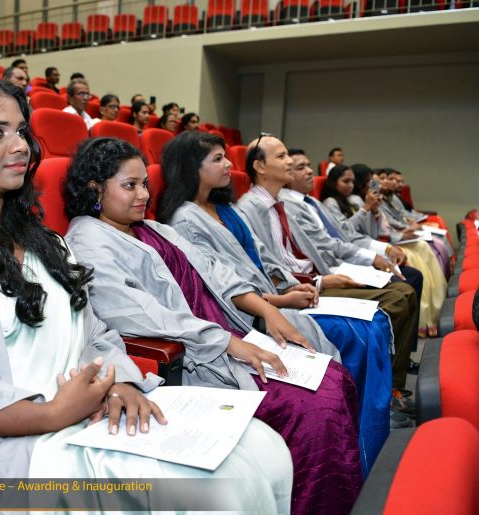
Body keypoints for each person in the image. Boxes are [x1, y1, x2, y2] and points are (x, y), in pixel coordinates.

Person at [0, 73, 294, 515]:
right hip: (19, 441)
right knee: (214, 497)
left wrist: (118, 383)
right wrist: (50, 413)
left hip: (91, 412)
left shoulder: (45, 240)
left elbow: (96, 333)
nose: (20, 146)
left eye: (21, 132)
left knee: (264, 450)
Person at [64, 136, 362, 515]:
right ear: (95, 189)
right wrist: (228, 343)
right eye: (130, 185)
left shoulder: (152, 228)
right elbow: (141, 315)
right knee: (314, 407)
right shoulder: (87, 239)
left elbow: (216, 272)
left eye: (145, 184)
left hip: (229, 334)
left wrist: (268, 309)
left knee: (332, 377)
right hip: (195, 360)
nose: (144, 195)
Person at [157, 132, 394, 474]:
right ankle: (352, 449)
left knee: (370, 326)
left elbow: (266, 258)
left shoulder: (225, 209)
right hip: (248, 316)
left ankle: (361, 440)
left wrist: (296, 288)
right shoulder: (184, 220)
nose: (228, 164)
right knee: (352, 341)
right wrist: (279, 300)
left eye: (226, 156)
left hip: (274, 300)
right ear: (191, 168)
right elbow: (217, 287)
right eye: (218, 159)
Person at [236, 136, 419, 399]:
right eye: (282, 157)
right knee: (391, 303)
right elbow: (266, 267)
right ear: (260, 166)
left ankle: (388, 387)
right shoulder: (248, 209)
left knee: (401, 293)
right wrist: (320, 281)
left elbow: (318, 245)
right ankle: (379, 392)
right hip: (299, 289)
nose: (289, 163)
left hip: (312, 279)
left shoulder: (279, 204)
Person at [325, 164, 447, 338]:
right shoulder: (331, 203)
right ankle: (415, 328)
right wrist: (367, 209)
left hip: (368, 246)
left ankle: (427, 319)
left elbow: (371, 233)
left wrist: (374, 213)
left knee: (421, 256)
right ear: (333, 182)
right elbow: (346, 235)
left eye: (352, 181)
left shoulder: (354, 200)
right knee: (411, 270)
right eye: (346, 181)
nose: (350, 185)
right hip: (353, 254)